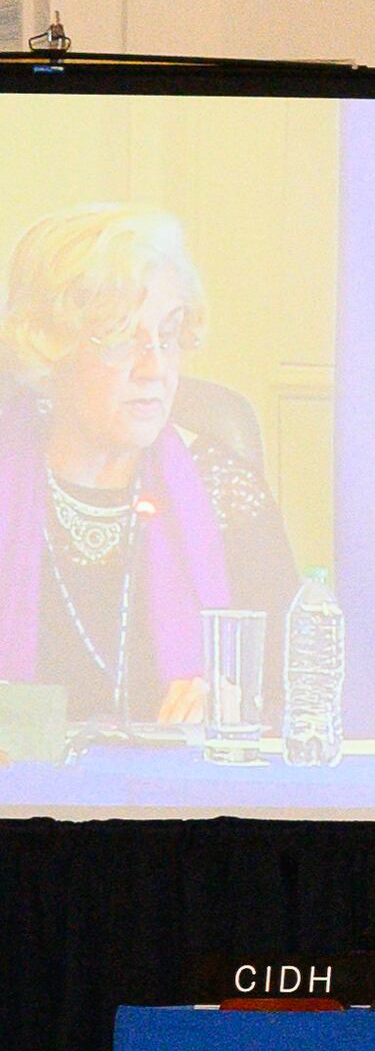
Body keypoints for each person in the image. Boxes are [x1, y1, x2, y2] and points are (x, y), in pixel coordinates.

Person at [1, 205, 298, 728]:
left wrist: (231, 701)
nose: (154, 369)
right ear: (54, 350)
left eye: (168, 336)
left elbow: (291, 693)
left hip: (181, 804)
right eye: (121, 339)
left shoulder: (225, 489)